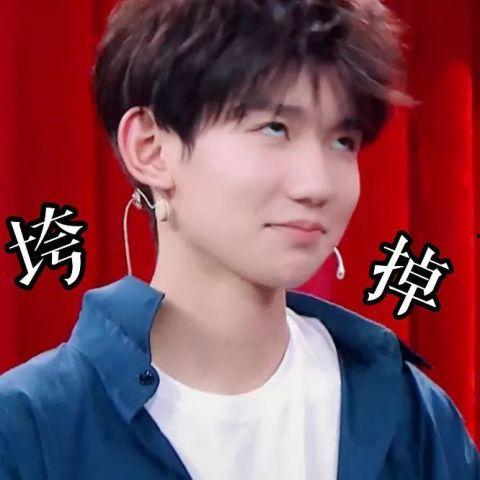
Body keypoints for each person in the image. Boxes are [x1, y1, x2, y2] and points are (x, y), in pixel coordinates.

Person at [0, 0, 478, 478]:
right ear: (151, 149)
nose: (316, 185)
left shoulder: (405, 412)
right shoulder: (32, 428)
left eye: (341, 141)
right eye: (275, 129)